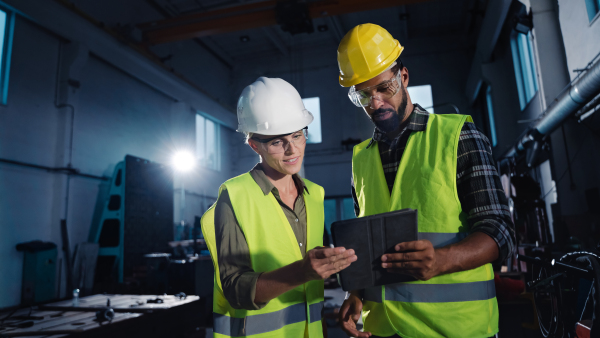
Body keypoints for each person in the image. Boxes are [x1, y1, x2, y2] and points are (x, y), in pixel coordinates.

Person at [336, 24, 515, 338]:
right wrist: (357, 293)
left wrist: (441, 260)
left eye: (383, 88)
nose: (375, 103)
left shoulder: (457, 136)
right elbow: (367, 242)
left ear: (403, 77)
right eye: (363, 94)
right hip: (383, 330)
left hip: (456, 329)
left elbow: (500, 231)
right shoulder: (361, 158)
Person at [201, 77, 357, 338]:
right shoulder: (235, 195)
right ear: (255, 145)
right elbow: (234, 288)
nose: (292, 149)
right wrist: (301, 272)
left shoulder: (315, 195)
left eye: (297, 135)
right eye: (276, 142)